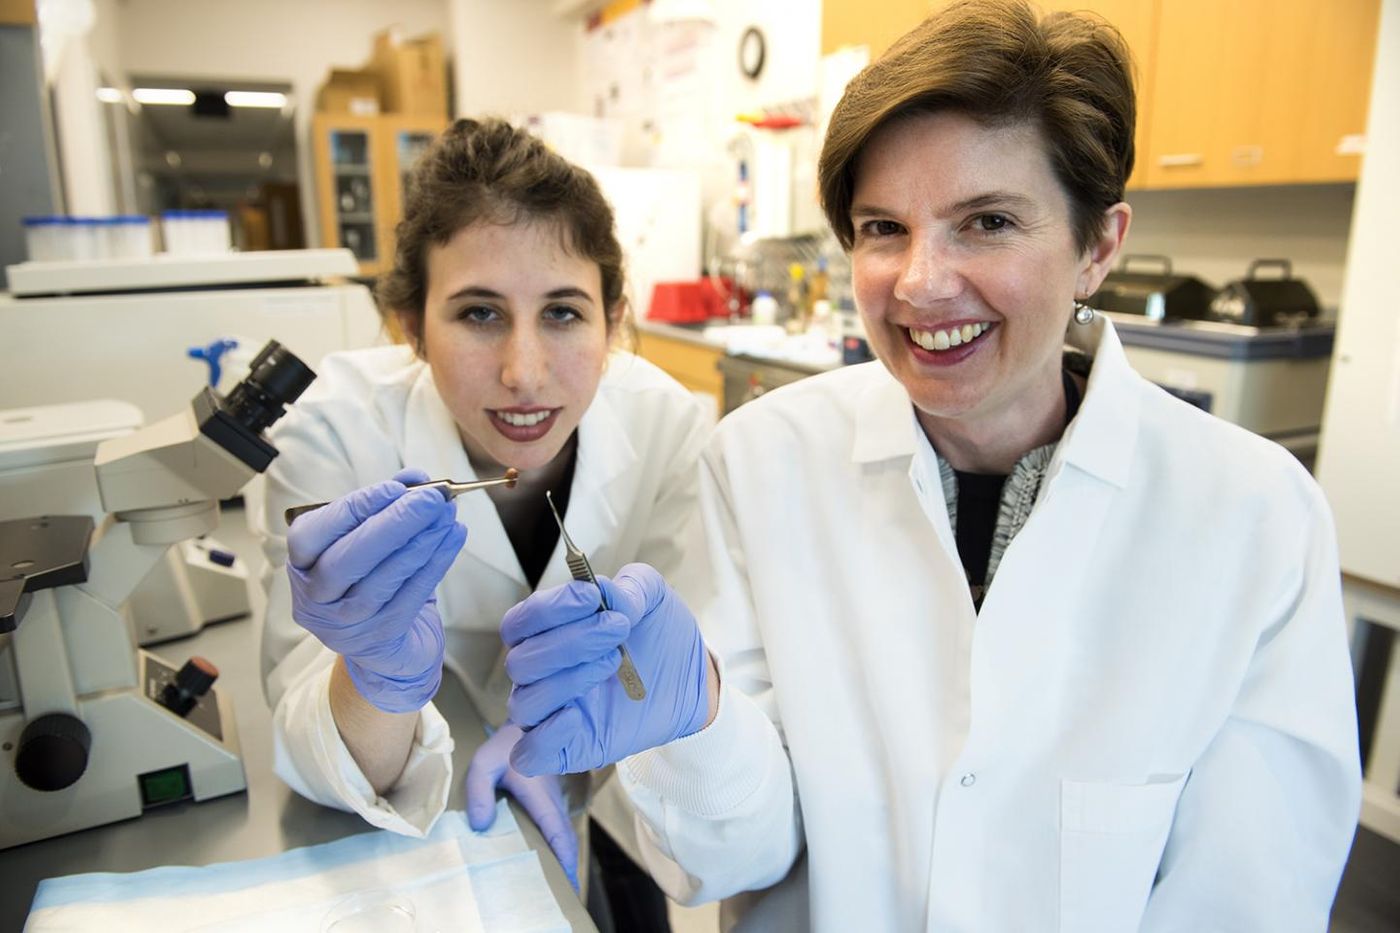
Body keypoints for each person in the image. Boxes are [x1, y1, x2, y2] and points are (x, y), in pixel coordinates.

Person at [492, 2, 1363, 929]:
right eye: (883, 228)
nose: (918, 282)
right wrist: (694, 721)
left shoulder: (1256, 513)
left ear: (1098, 246)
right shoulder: (760, 460)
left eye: (986, 221)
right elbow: (728, 856)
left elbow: (1252, 896)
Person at [255, 117, 709, 930]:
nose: (524, 372)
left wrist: (577, 743)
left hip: (603, 793)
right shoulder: (335, 433)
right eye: (478, 313)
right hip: (395, 832)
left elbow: (681, 680)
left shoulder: (670, 430)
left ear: (612, 320)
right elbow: (307, 743)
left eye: (565, 314)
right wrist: (375, 676)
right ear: (409, 326)